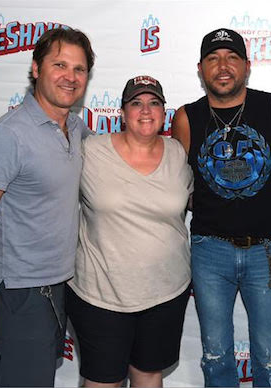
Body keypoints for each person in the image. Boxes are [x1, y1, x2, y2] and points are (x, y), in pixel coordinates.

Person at [0, 28, 95, 387]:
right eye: (60, 65)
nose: (70, 77)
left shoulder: (76, 128)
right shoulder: (9, 135)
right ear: (36, 69)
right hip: (19, 293)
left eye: (79, 69)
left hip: (60, 285)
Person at [172, 28, 271, 387]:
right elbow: (178, 186)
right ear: (201, 68)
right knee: (215, 356)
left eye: (231, 58)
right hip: (209, 250)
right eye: (213, 58)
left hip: (266, 251)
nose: (223, 66)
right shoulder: (186, 117)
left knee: (270, 358)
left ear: (247, 65)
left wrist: (270, 177)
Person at [66, 75, 193, 387]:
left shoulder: (177, 152)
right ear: (122, 113)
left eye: (154, 103)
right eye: (136, 103)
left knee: (148, 375)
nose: (145, 110)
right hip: (101, 295)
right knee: (103, 381)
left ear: (164, 112)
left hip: (166, 291)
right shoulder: (91, 151)